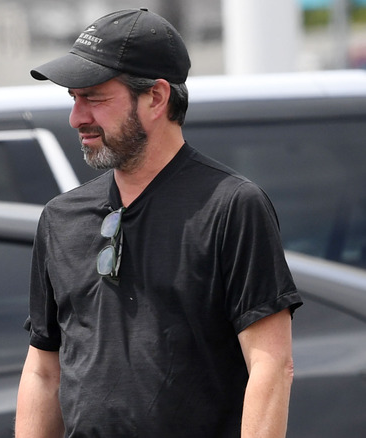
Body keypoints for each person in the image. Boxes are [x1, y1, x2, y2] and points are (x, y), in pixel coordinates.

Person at [16, 8, 303, 438]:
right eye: (73, 99)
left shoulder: (231, 206)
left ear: (155, 97)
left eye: (93, 97)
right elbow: (43, 369)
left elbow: (271, 366)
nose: (77, 118)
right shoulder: (60, 218)